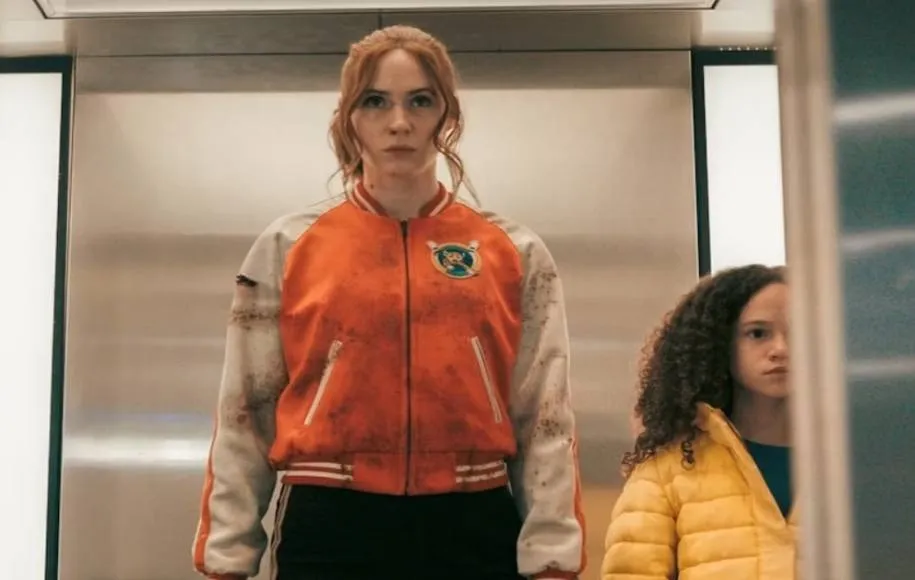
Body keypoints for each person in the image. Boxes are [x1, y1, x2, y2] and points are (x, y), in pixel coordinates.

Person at [191, 24, 586, 580]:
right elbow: (245, 410)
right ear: (349, 117)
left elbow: (544, 414)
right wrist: (227, 556)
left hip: (472, 520)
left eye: (420, 101)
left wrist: (552, 554)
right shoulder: (288, 246)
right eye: (375, 101)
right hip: (329, 521)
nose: (399, 122)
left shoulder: (512, 251)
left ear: (447, 115)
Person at [601, 264, 795, 580]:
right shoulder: (666, 469)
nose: (780, 349)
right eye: (758, 333)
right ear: (720, 343)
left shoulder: (851, 459)